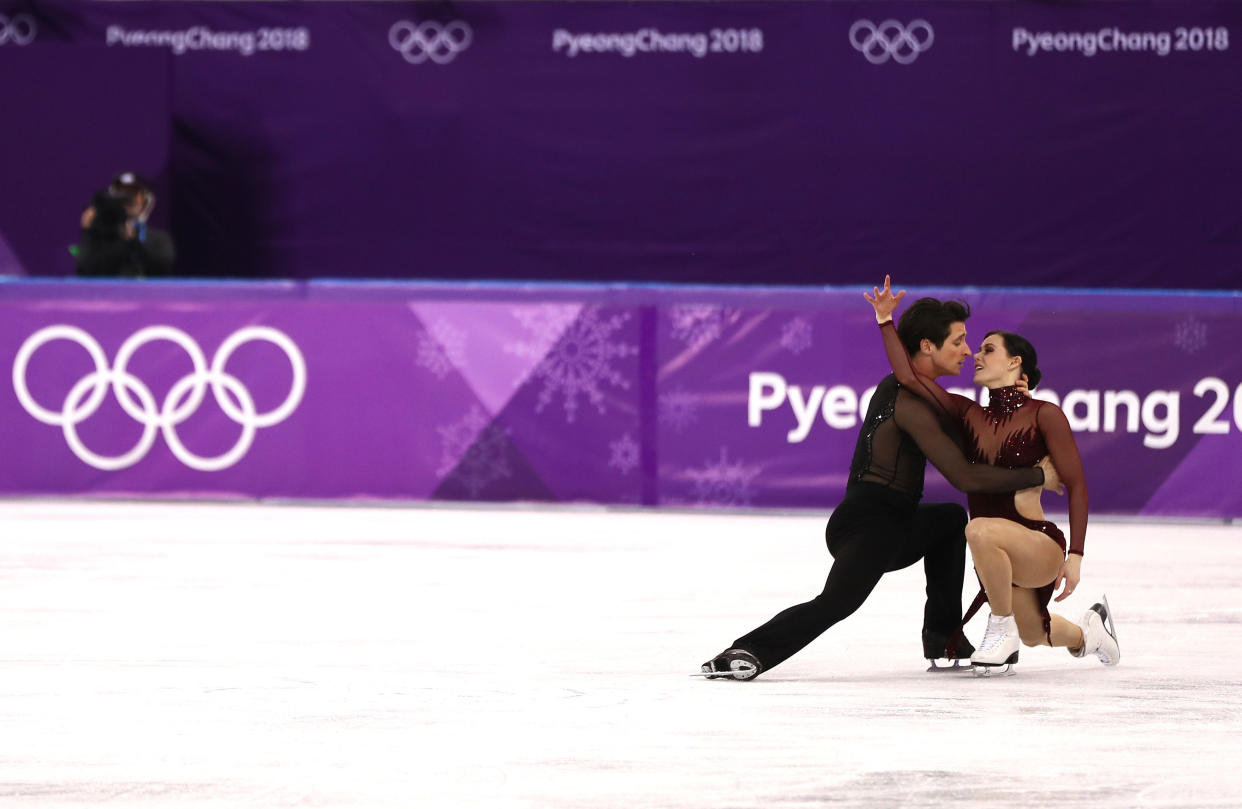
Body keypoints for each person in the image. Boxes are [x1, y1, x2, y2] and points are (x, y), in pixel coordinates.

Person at [700, 295, 1062, 681]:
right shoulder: (909, 401)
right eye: (957, 341)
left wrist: (1015, 400)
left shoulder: (919, 393)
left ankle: (943, 637)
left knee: (949, 520)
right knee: (838, 602)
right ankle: (747, 651)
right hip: (868, 523)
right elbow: (966, 476)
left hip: (898, 521)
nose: (967, 351)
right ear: (927, 346)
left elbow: (985, 442)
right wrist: (1040, 477)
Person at [865, 276, 1119, 675]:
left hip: (1037, 546)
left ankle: (999, 627)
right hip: (996, 555)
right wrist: (885, 321)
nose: (974, 355)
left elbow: (1077, 485)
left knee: (978, 528)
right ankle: (1093, 634)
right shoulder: (969, 414)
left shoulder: (1044, 415)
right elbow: (910, 379)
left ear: (1015, 362)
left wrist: (1076, 556)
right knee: (1038, 633)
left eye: (987, 349)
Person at [75, 172, 175, 278]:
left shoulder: (158, 240)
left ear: (145, 200)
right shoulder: (101, 239)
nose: (126, 199)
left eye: (132, 194)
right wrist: (88, 232)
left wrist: (133, 241)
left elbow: (161, 270)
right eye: (120, 193)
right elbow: (84, 271)